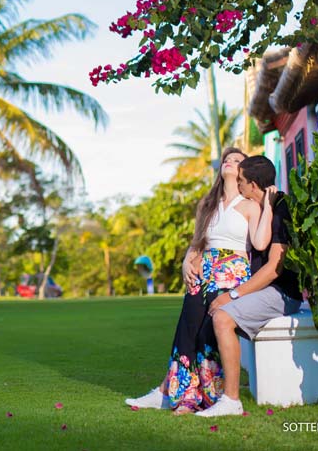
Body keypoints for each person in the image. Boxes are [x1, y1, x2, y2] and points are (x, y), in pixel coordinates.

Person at [125, 147, 273, 414]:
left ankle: (200, 396)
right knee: (187, 330)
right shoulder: (207, 205)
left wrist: (269, 207)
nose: (229, 162)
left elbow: (260, 242)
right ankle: (178, 396)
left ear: (244, 171)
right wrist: (185, 261)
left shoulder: (251, 205)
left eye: (236, 160)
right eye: (226, 159)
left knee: (207, 332)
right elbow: (197, 244)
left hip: (232, 276)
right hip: (203, 272)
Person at [196, 155, 303, 418]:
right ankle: (197, 388)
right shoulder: (256, 207)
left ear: (253, 184)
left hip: (281, 293)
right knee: (204, 306)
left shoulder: (281, 209)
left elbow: (273, 269)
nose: (239, 186)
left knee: (222, 317)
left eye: (242, 181)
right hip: (256, 288)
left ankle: (231, 400)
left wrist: (233, 295)